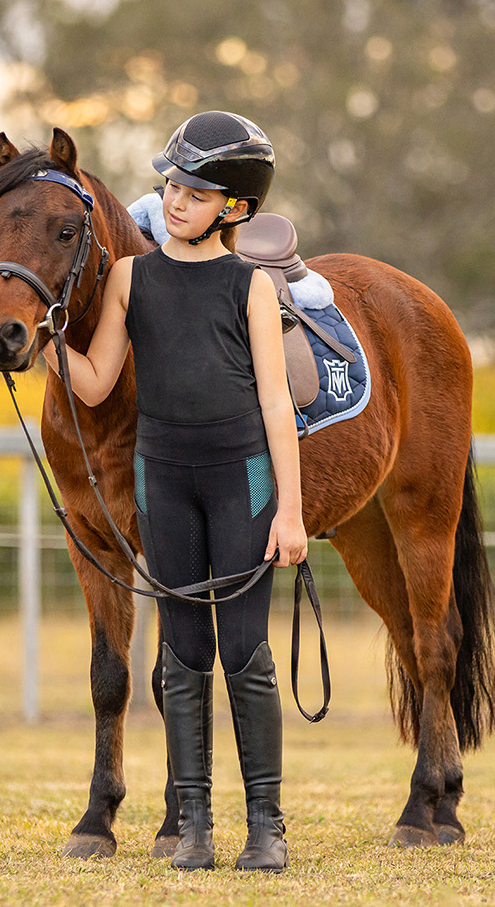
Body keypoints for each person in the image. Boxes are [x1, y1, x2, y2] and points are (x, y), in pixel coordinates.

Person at [42, 110, 307, 872]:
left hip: (241, 481)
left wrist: (288, 510)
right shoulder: (131, 276)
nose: (174, 199)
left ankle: (266, 825)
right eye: (170, 185)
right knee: (182, 655)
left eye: (193, 190)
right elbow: (94, 383)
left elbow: (274, 405)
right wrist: (48, 337)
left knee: (247, 653)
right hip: (165, 480)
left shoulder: (250, 286)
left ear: (235, 208)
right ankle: (192, 824)